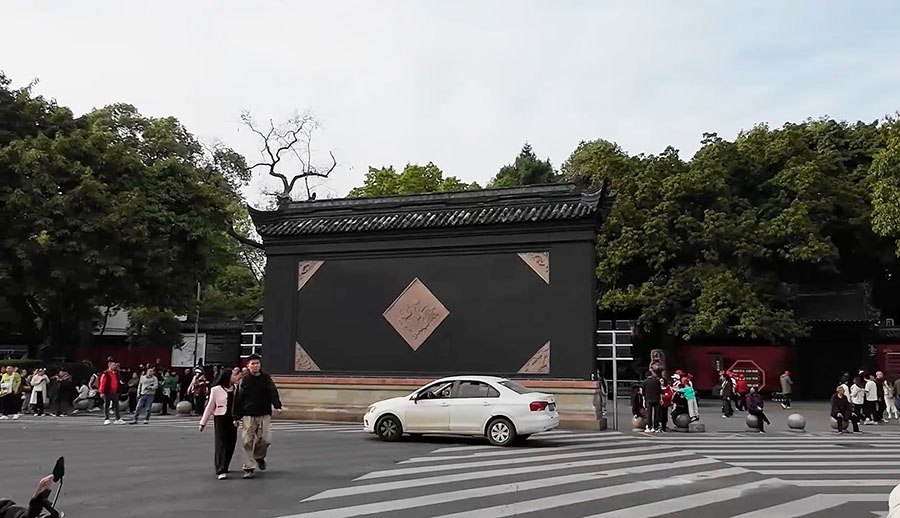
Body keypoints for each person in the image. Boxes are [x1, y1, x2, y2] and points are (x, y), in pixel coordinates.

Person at [232, 354, 283, 479]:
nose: (255, 366)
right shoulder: (245, 380)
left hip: (264, 413)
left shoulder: (266, 378)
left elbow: (273, 391)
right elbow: (238, 398)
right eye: (253, 364)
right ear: (248, 366)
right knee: (247, 441)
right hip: (248, 414)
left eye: (257, 363)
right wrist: (236, 416)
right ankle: (248, 467)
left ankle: (259, 456)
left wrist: (277, 405)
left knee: (265, 440)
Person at [200, 370, 238, 480]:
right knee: (221, 443)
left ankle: (225, 465)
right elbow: (210, 406)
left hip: (233, 418)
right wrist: (203, 422)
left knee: (231, 443)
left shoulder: (237, 388)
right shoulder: (216, 390)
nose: (236, 376)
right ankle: (220, 468)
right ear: (227, 377)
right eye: (234, 375)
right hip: (221, 418)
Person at [99, 360, 125, 425]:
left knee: (116, 405)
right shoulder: (105, 373)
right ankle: (106, 419)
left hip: (115, 392)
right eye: (113, 365)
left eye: (115, 365)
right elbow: (102, 383)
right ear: (109, 365)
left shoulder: (116, 373)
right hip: (107, 392)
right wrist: (101, 392)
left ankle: (117, 419)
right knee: (106, 405)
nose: (115, 366)